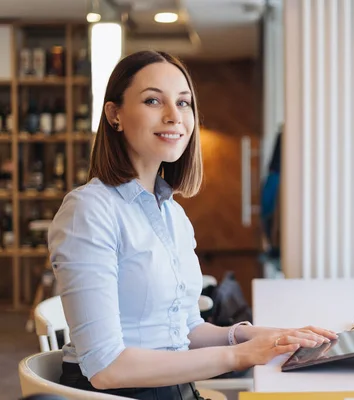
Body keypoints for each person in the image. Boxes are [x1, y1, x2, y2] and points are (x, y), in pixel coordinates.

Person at [47, 50, 337, 400]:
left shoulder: (172, 214)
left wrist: (261, 335)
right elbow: (107, 369)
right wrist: (239, 355)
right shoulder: (88, 211)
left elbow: (184, 329)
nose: (174, 116)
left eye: (184, 103)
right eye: (153, 100)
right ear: (114, 115)